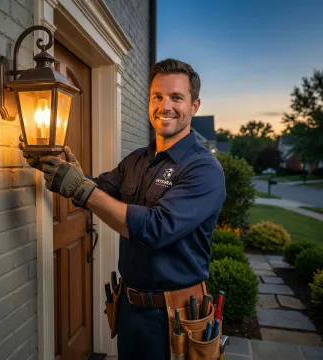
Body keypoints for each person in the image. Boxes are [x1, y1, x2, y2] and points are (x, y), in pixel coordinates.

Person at [20, 58, 226, 360]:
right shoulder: (136, 160)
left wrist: (83, 189)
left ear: (194, 106)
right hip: (128, 306)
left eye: (176, 97)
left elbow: (157, 228)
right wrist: (64, 171)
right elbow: (101, 190)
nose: (164, 105)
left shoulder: (203, 169)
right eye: (157, 96)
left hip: (175, 316)